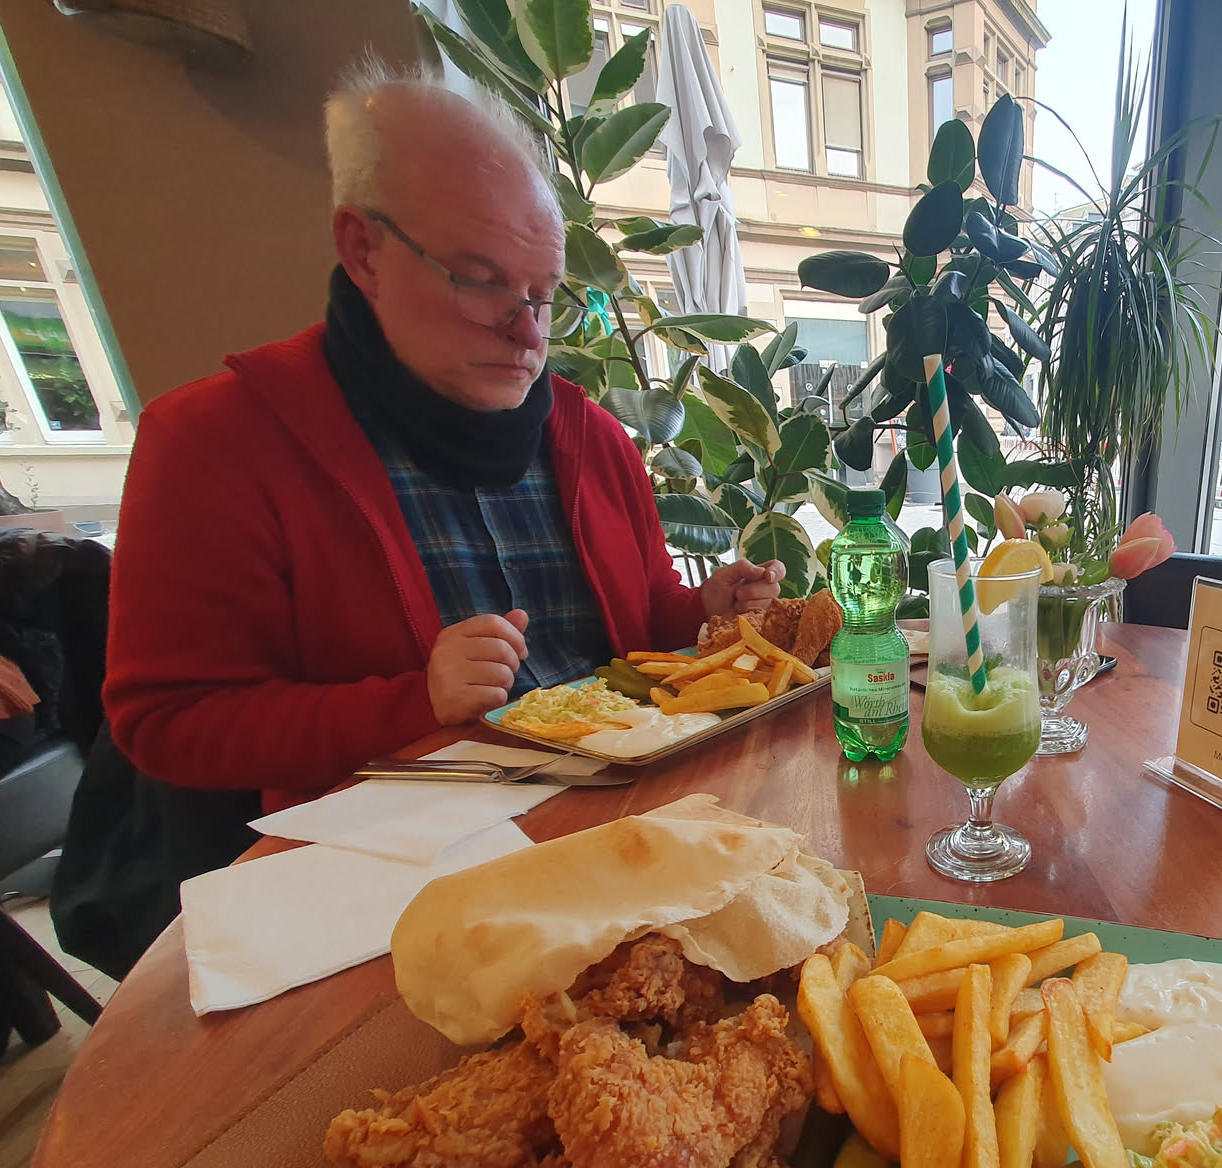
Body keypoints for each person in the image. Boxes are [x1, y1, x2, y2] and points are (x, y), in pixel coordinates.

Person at [102, 66, 782, 809]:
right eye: (482, 281)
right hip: (396, 840)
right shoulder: (216, 441)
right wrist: (414, 700)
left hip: (627, 803)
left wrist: (704, 611)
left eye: (544, 296)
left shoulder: (594, 437)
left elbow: (640, 620)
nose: (528, 333)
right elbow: (167, 724)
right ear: (363, 251)